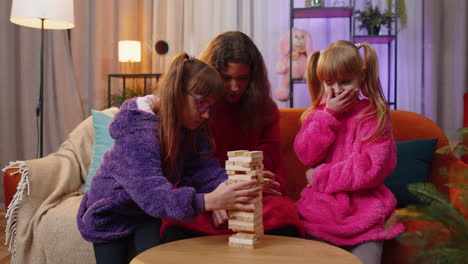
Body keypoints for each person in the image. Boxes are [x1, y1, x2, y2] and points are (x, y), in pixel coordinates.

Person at [77, 52, 262, 264]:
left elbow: (203, 169)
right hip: (111, 214)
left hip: (144, 214)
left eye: (210, 107)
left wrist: (230, 187)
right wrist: (209, 200)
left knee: (160, 257)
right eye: (201, 104)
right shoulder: (138, 135)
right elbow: (155, 197)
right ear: (177, 94)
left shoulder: (190, 128)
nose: (206, 115)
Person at [162, 31, 303, 241]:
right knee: (177, 223)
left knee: (284, 218)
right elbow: (186, 166)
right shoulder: (196, 108)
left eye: (242, 78)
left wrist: (235, 196)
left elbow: (269, 168)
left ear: (253, 78)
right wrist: (215, 199)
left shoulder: (265, 109)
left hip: (254, 192)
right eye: (226, 78)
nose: (235, 88)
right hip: (202, 190)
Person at [294, 40, 404, 264]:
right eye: (329, 83)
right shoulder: (317, 115)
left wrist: (320, 176)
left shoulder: (374, 115)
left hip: (365, 214)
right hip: (321, 212)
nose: (336, 90)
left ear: (361, 77)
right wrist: (328, 116)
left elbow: (371, 168)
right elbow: (306, 155)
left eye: (345, 82)